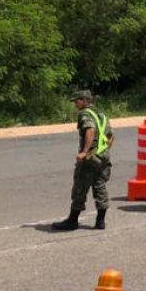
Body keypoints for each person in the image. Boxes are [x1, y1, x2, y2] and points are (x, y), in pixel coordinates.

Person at [53, 89, 115, 231]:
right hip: (103, 156)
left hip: (91, 157)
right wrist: (104, 151)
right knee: (100, 186)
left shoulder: (85, 114)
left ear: (86, 101)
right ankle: (100, 221)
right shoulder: (101, 114)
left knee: (80, 186)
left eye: (77, 100)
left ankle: (72, 220)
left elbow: (90, 130)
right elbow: (111, 136)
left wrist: (84, 152)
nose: (75, 104)